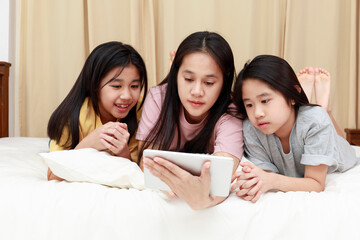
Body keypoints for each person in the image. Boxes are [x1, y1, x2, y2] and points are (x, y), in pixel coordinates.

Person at [136, 31, 244, 210]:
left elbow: (220, 179)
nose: (196, 91)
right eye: (188, 79)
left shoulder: (232, 112)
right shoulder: (158, 98)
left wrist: (201, 198)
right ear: (175, 74)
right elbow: (146, 164)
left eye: (209, 83)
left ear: (224, 82)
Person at [231, 55, 359, 203]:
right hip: (308, 121)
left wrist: (272, 181)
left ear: (292, 96)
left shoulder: (314, 122)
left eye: (265, 101)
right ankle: (322, 109)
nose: (257, 113)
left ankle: (325, 110)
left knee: (329, 131)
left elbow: (316, 184)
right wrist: (251, 183)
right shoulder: (250, 129)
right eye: (249, 105)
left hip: (338, 151)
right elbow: (264, 176)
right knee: (315, 119)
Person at [47, 41, 148, 181]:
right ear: (94, 85)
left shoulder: (141, 110)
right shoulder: (71, 116)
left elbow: (137, 171)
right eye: (117, 86)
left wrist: (122, 152)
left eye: (135, 86)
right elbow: (53, 176)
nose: (127, 96)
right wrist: (89, 143)